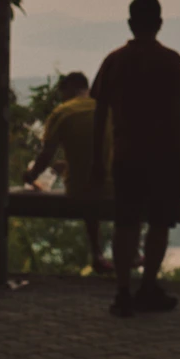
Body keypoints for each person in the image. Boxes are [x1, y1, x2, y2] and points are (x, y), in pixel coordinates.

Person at [92, 0, 180, 318]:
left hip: (126, 155)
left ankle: (123, 291)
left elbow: (100, 113)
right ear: (159, 23)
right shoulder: (170, 61)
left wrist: (98, 159)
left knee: (126, 223)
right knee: (159, 224)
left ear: (130, 23)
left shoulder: (114, 61)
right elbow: (179, 114)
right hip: (165, 156)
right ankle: (148, 285)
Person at [23, 72, 113, 274]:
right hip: (115, 185)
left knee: (85, 186)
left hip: (82, 189)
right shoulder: (106, 108)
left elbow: (47, 154)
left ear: (68, 89)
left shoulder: (62, 112)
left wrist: (32, 175)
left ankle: (97, 252)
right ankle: (129, 251)